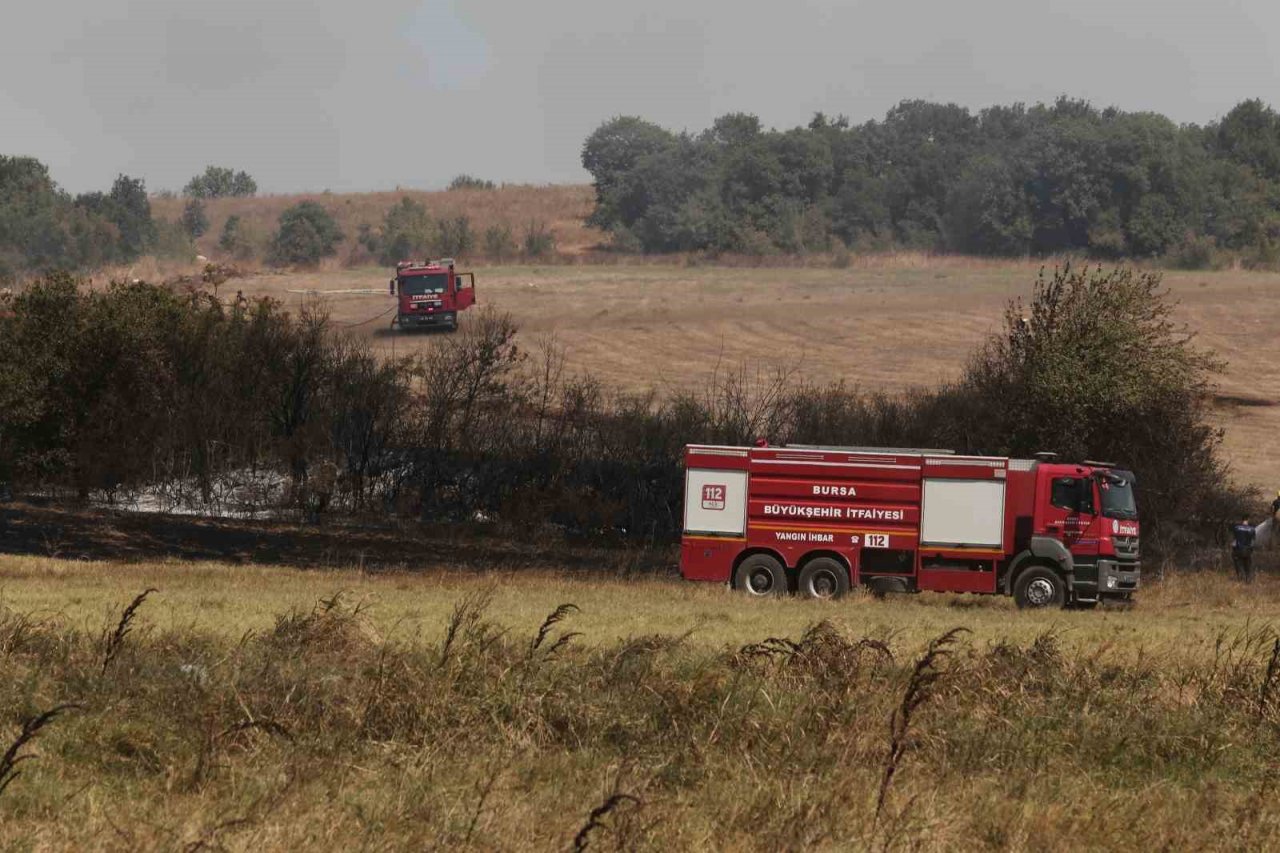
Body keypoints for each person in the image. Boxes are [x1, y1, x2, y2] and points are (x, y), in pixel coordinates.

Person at [1231, 516, 1257, 583]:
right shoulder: (1252, 529)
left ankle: (1240, 579)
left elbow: (1234, 539)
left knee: (1238, 564)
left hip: (1238, 550)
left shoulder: (1236, 528)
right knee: (1248, 565)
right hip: (1247, 550)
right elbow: (1253, 541)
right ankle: (1248, 580)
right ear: (1248, 519)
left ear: (1241, 520)